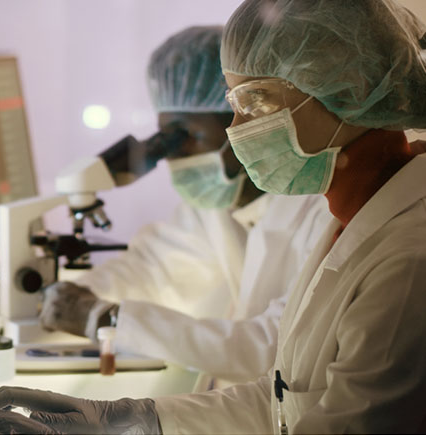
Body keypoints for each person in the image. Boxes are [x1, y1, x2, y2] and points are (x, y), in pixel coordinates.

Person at [0, 1, 426, 433]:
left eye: (255, 102)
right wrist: (133, 419)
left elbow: (291, 380)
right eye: (234, 106)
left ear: (344, 90)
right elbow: (283, 397)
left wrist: (104, 319)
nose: (238, 130)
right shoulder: (349, 216)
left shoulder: (405, 264)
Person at [39, 25, 331, 386]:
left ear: (247, 122)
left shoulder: (322, 210)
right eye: (167, 137)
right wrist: (67, 297)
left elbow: (271, 345)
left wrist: (105, 318)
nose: (176, 155)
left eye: (188, 135)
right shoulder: (222, 204)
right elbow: (155, 269)